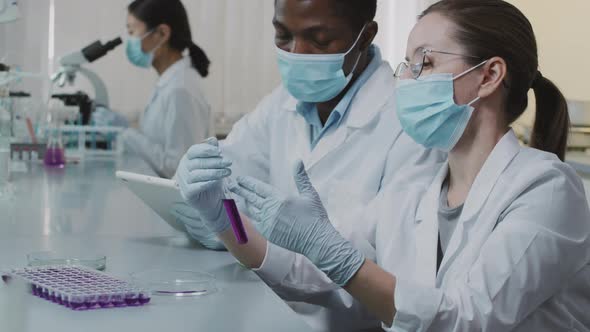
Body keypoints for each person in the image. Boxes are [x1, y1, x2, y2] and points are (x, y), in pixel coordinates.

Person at [181, 0, 590, 331]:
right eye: (407, 66)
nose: (407, 82)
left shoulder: (546, 189)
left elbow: (468, 320)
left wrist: (338, 257)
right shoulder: (415, 188)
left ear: (489, 76)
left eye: (424, 64)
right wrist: (225, 219)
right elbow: (313, 275)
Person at [173, 0, 444, 330]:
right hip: (264, 307)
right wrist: (223, 218)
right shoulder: (281, 103)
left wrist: (238, 231)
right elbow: (230, 195)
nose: (297, 52)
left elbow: (378, 281)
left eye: (319, 39)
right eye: (283, 35)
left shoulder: (408, 127)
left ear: (365, 36)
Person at [94, 0, 211, 178]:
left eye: (132, 31)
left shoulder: (181, 89)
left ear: (162, 33)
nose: (129, 40)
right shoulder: (169, 81)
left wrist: (125, 133)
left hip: (175, 200)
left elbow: (178, 167)